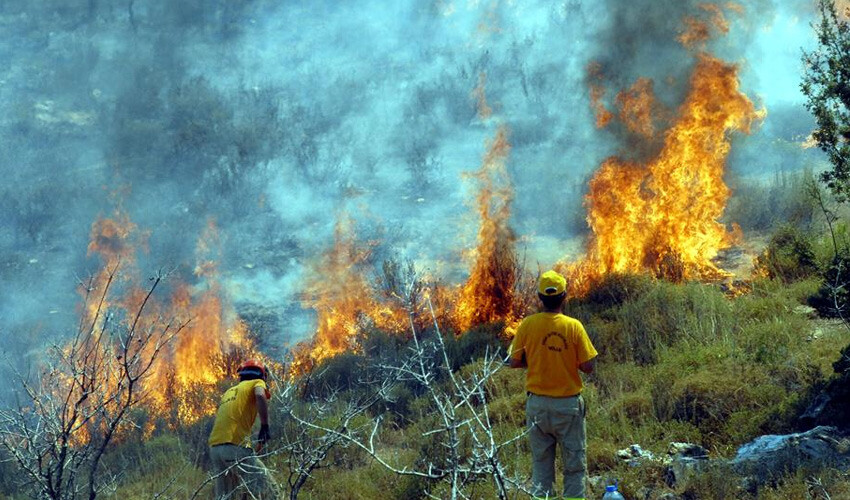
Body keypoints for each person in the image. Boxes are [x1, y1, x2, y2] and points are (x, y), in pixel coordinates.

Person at [509, 270, 597, 500]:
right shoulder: (574, 326)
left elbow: (514, 361)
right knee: (574, 467)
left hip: (537, 406)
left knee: (541, 468)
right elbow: (588, 366)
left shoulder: (528, 325)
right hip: (567, 408)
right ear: (564, 296)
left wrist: (537, 359)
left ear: (540, 297)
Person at [208, 359, 273, 499]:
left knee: (225, 496)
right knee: (264, 490)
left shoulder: (229, 392)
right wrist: (265, 426)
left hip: (215, 449)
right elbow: (261, 395)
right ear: (261, 374)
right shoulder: (257, 382)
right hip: (234, 446)